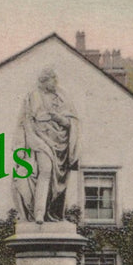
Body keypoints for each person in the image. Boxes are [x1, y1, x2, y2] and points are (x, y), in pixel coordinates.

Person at [15, 67, 80, 223]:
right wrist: (26, 143)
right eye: (53, 80)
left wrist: (56, 117)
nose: (56, 83)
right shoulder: (32, 96)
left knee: (55, 180)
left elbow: (71, 122)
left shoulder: (63, 97)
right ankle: (39, 213)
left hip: (61, 146)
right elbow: (25, 122)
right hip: (40, 141)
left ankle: (53, 212)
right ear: (44, 81)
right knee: (45, 170)